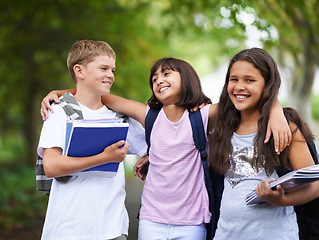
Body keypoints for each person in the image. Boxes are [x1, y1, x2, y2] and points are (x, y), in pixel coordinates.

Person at [41, 57, 291, 240]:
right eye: (154, 78)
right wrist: (62, 93)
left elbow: (242, 99)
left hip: (192, 222)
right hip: (152, 219)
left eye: (167, 74)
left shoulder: (202, 116)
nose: (159, 80)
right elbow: (102, 96)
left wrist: (276, 108)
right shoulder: (148, 115)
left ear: (188, 78)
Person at [37, 40, 147, 240]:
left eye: (113, 70)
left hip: (112, 229)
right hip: (67, 229)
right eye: (103, 68)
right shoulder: (59, 112)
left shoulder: (119, 117)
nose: (111, 75)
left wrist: (148, 156)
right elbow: (51, 166)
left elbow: (155, 145)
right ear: (80, 71)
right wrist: (104, 157)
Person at [208, 47, 319, 240]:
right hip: (226, 234)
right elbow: (181, 124)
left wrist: (280, 199)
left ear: (267, 85)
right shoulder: (221, 123)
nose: (239, 86)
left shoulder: (286, 125)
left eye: (249, 80)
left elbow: (315, 185)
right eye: (234, 79)